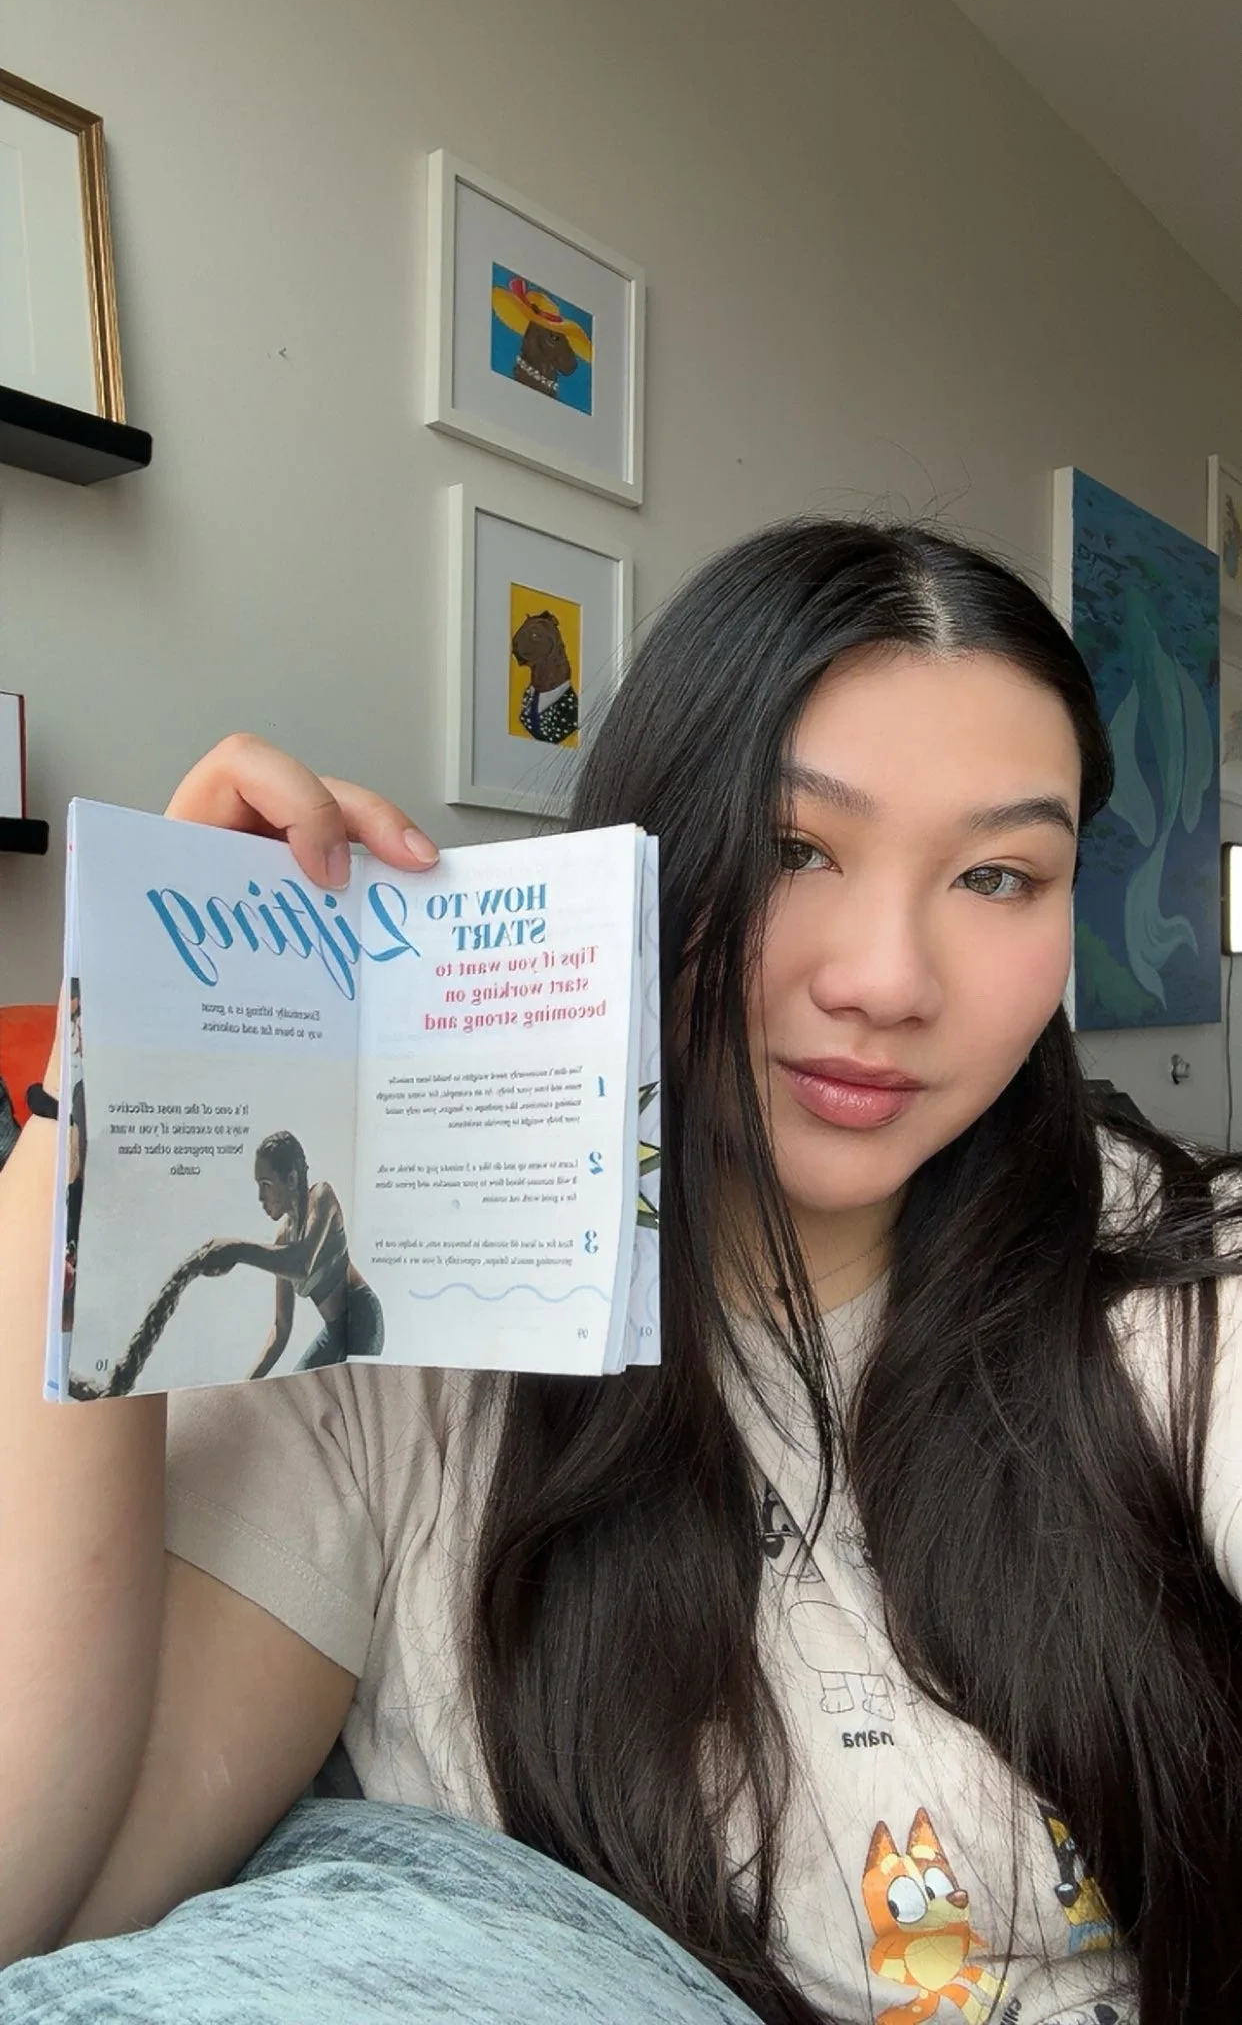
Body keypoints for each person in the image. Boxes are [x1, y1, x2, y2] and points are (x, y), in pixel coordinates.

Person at [2, 517, 1240, 2025]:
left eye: (996, 876)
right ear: (639, 859)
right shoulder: (393, 1347)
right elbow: (40, 1899)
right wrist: (107, 1078)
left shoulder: (1179, 1289)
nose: (885, 981)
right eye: (792, 849)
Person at [186, 1130, 385, 1378]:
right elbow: (281, 1328)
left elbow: (302, 1263)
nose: (260, 1197)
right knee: (296, 1392)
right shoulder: (284, 1237)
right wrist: (245, 1385)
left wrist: (236, 1249)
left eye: (266, 1185)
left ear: (291, 1179)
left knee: (347, 1395)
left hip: (363, 1318)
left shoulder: (322, 1197)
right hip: (334, 1331)